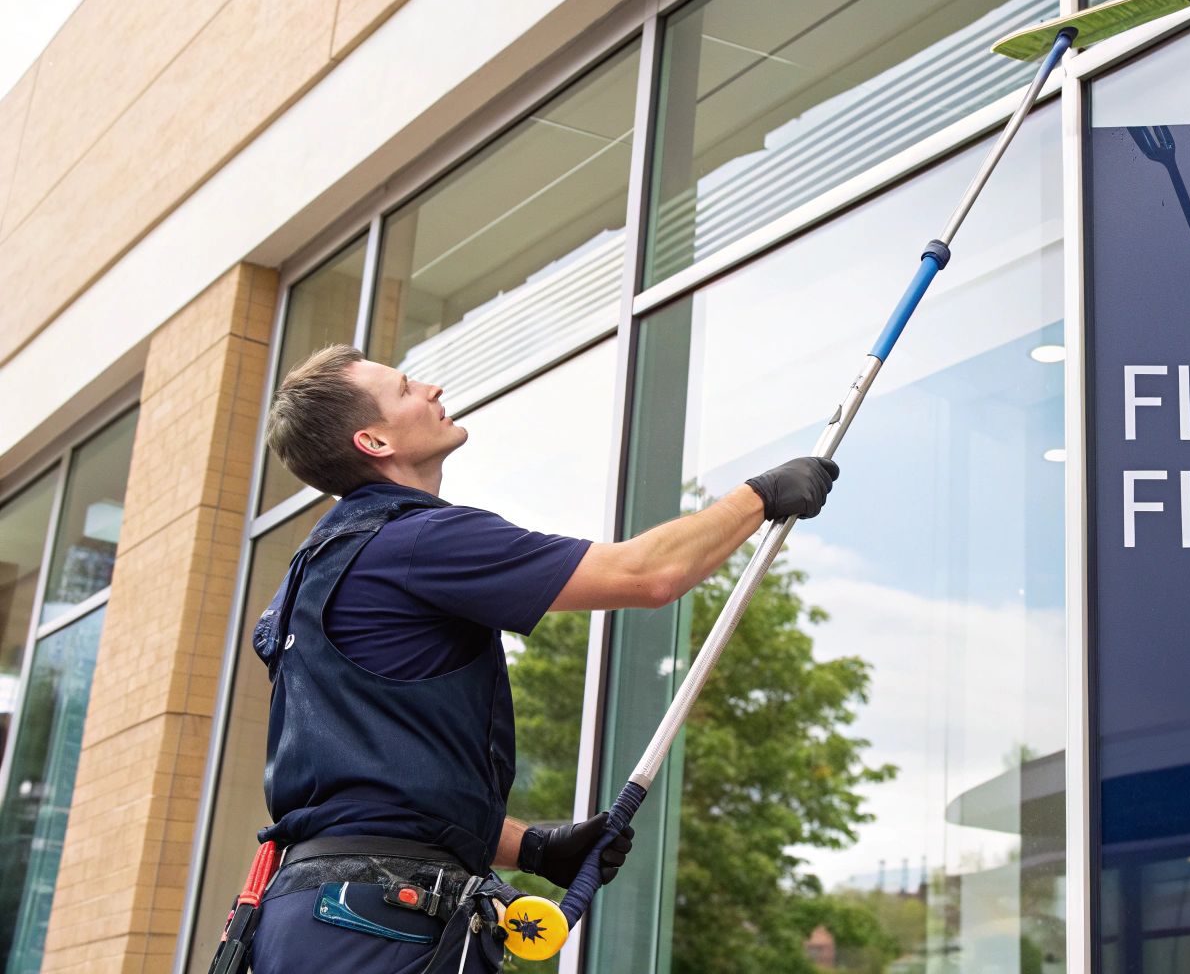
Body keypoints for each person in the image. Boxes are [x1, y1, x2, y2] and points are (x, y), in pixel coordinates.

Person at [242, 344, 838, 973]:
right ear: (374, 441)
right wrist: (760, 497)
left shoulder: (310, 579)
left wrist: (535, 848)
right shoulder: (416, 541)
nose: (432, 390)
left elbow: (375, 795)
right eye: (406, 389)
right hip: (378, 924)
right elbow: (647, 575)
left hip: (312, 915)